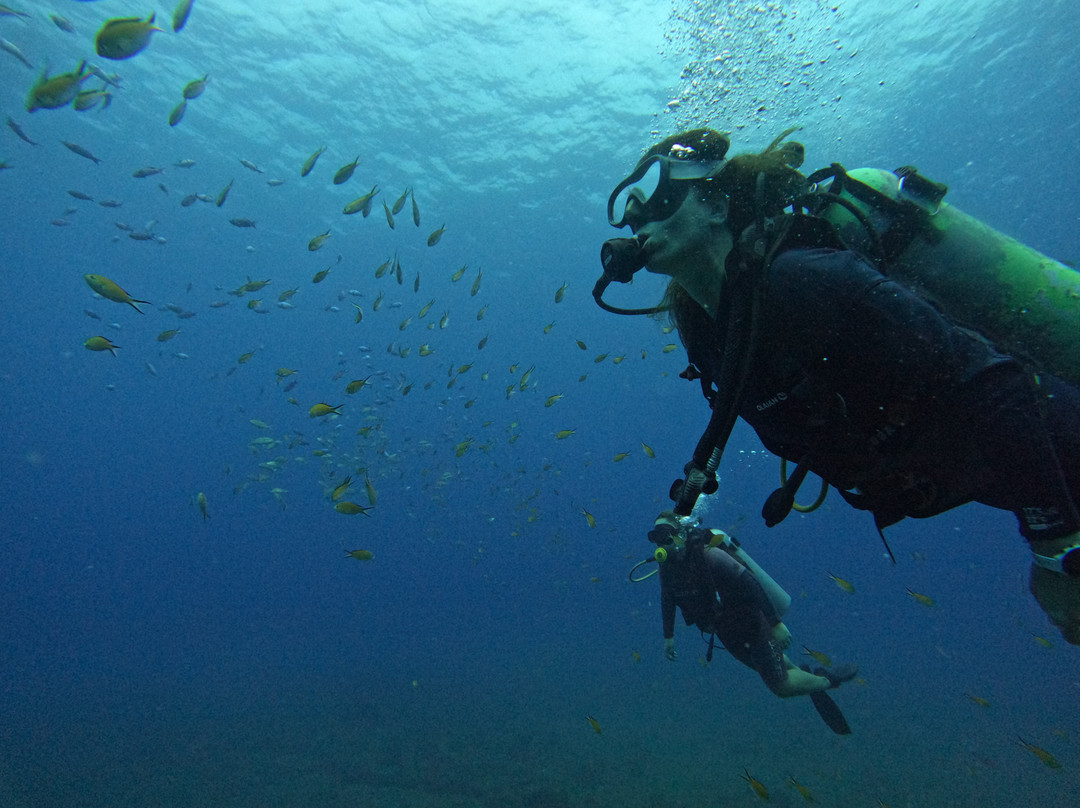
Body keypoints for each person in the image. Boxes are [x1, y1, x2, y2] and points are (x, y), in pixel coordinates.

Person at [601, 128, 1080, 645]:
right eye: (633, 213)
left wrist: (1058, 549)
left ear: (717, 207)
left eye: (661, 200)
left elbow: (997, 383)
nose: (639, 221)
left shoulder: (801, 279)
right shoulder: (711, 335)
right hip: (981, 475)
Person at [647, 512, 857, 734]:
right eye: (654, 537)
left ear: (680, 533)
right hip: (724, 630)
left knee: (781, 686)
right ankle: (805, 676)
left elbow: (750, 583)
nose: (660, 542)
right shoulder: (667, 568)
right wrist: (668, 637)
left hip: (751, 624)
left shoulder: (709, 555)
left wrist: (775, 624)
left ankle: (827, 680)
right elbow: (667, 598)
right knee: (768, 668)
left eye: (664, 534)